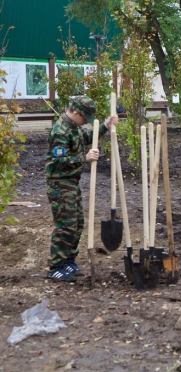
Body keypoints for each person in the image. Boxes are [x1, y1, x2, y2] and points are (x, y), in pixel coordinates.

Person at [45, 95, 119, 281]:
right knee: (65, 226)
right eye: (85, 118)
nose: (86, 122)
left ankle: (69, 260)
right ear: (76, 112)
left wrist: (105, 126)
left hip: (71, 184)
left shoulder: (73, 127)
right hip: (60, 185)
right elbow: (59, 162)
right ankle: (55, 266)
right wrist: (84, 158)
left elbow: (85, 138)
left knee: (77, 224)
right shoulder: (60, 131)